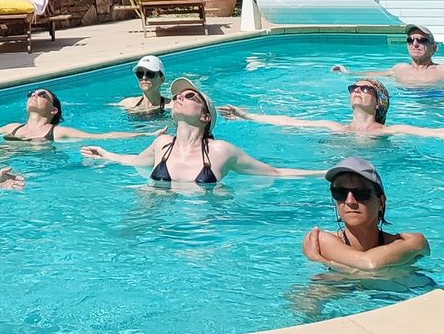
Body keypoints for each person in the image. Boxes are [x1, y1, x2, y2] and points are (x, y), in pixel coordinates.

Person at [80, 78, 325, 187]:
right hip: (157, 223)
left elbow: (275, 172)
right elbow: (135, 161)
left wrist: (325, 172)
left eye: (189, 96)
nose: (178, 98)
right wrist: (105, 153)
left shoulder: (220, 151)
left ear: (205, 116)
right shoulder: (162, 144)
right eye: (177, 96)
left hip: (203, 234)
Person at [222, 76, 444, 143]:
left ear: (379, 103)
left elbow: (433, 133)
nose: (357, 90)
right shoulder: (335, 127)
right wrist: (247, 116)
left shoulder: (386, 131)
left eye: (366, 88)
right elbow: (289, 122)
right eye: (353, 88)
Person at [303, 157, 429, 272]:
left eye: (361, 193)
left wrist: (326, 262)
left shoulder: (398, 243)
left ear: (381, 202)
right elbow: (370, 264)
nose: (350, 201)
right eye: (340, 193)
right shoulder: (320, 240)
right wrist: (415, 244)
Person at [0, 87, 125, 145]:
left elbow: (101, 136)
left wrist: (146, 134)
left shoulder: (57, 132)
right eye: (32, 94)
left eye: (42, 95)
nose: (34, 95)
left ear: (53, 111)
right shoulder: (13, 128)